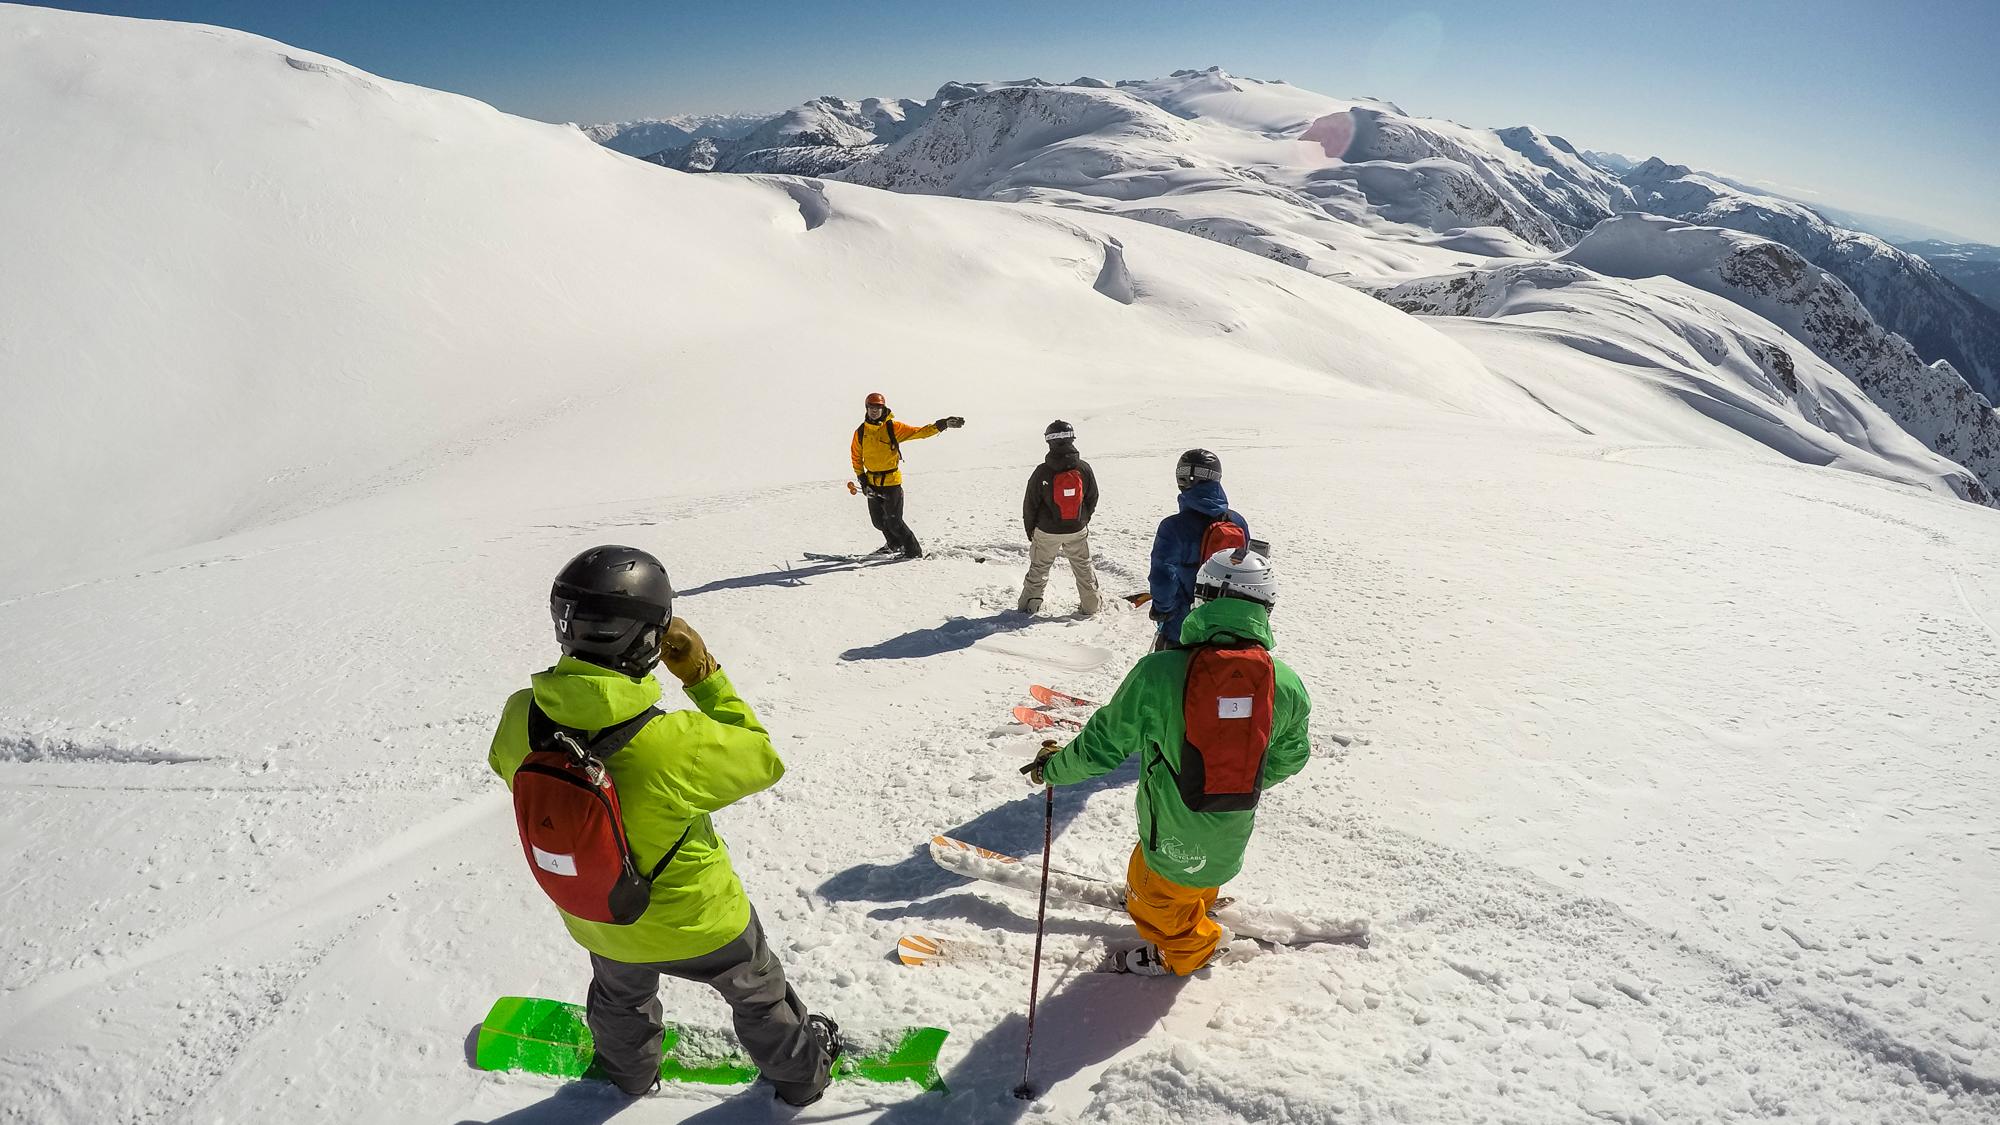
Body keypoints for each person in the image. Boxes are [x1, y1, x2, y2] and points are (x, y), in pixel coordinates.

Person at [488, 545, 841, 1106]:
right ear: (648, 640)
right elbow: (763, 758)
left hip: (601, 910)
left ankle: (627, 1074)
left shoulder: (520, 715)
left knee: (618, 994)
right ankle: (800, 1079)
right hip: (702, 921)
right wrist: (704, 677)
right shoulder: (676, 741)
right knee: (757, 995)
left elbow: (504, 766)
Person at [1023, 547, 1308, 975]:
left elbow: (1102, 746)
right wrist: (1232, 775)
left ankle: (1187, 952)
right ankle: (1197, 901)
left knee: (1151, 897)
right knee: (1197, 875)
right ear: (1266, 607)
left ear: (1202, 598)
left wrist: (1053, 767)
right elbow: (1292, 755)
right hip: (1230, 835)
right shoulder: (1283, 682)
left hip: (1168, 840)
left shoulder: (1158, 674)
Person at [1147, 449, 1248, 650]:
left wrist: (1162, 609)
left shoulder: (1173, 527)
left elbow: (1163, 576)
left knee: (1172, 677)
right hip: (1227, 624)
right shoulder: (1237, 521)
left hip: (1183, 626)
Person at [849, 392, 964, 559]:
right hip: (872, 482)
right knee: (879, 522)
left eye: (878, 408)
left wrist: (942, 424)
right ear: (866, 409)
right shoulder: (860, 432)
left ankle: (913, 551)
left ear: (883, 408)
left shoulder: (892, 427)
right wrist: (863, 480)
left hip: (891, 483)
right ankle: (894, 544)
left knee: (895, 522)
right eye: (871, 407)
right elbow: (856, 456)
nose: (874, 411)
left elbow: (919, 432)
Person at [1017, 419, 1102, 615]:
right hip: (1076, 529)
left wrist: (1031, 531)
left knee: (1039, 568)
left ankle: (1028, 607)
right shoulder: (1083, 468)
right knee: (1083, 568)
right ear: (1072, 439)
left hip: (1047, 531)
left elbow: (1030, 505)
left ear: (1049, 442)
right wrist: (1082, 519)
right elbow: (1093, 496)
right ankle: (1091, 607)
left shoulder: (1042, 472)